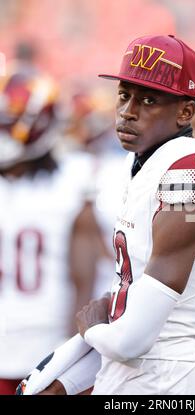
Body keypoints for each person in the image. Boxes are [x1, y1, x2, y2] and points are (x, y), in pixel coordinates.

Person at [17, 34, 195, 395]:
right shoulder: (136, 164)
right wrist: (64, 379)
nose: (128, 111)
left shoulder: (192, 172)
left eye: (149, 100)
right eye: (124, 95)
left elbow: (132, 341)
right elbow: (123, 315)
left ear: (185, 112)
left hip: (171, 384)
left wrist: (89, 329)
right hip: (128, 378)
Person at [0, 70, 108, 394]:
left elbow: (84, 277)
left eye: (10, 120)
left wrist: (73, 353)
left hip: (45, 344)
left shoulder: (74, 182)